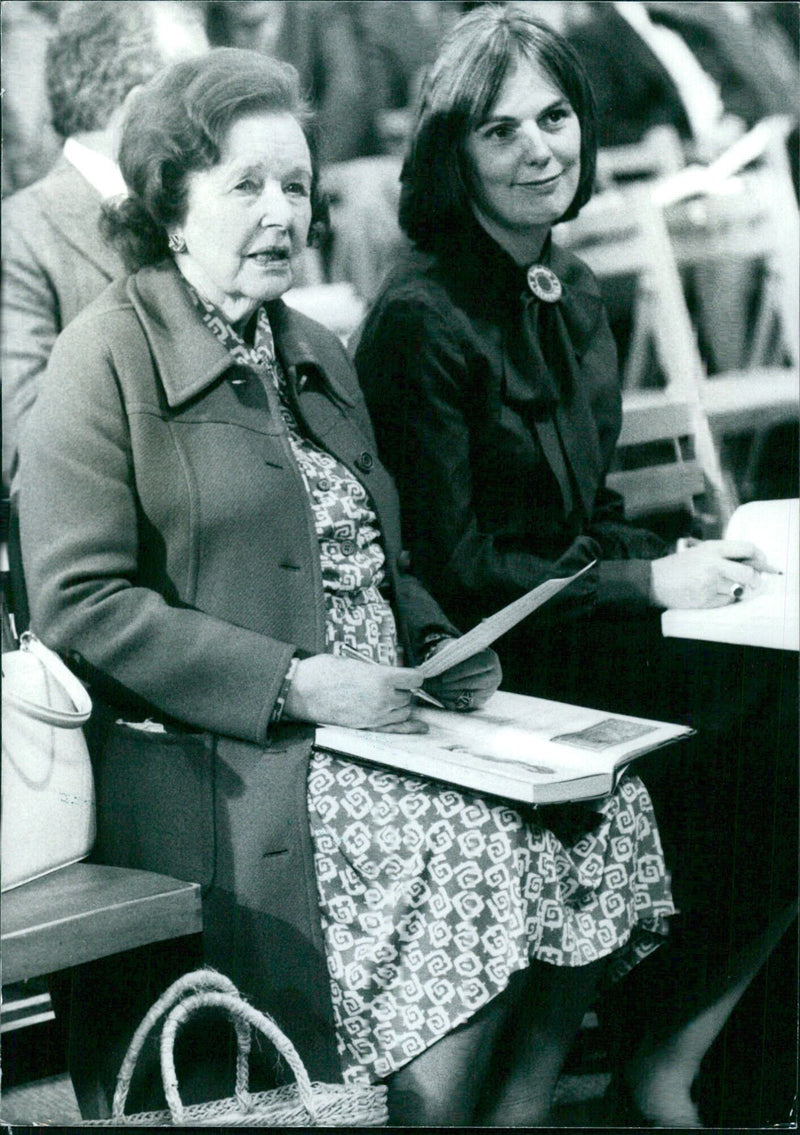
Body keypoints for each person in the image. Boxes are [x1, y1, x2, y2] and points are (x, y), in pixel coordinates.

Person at [17, 48, 675, 1128]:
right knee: (479, 853)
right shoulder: (104, 363)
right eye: (246, 186)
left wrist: (438, 646)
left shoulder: (309, 343)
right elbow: (80, 606)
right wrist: (300, 685)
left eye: (295, 185)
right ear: (170, 202)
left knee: (605, 814)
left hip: (390, 721)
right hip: (237, 756)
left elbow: (386, 551)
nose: (282, 213)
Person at [354, 6, 798, 1127]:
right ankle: (665, 1055)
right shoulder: (418, 318)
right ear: (451, 152)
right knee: (775, 728)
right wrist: (647, 584)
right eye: (499, 131)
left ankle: (693, 1057)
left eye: (553, 117)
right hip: (485, 668)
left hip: (576, 627)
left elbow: (582, 517)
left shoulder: (571, 290)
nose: (537, 148)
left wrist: (697, 554)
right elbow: (453, 566)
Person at [1, 0, 209, 501]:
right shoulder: (21, 234)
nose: (217, 123)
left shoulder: (206, 210)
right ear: (139, 108)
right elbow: (28, 455)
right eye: (201, 96)